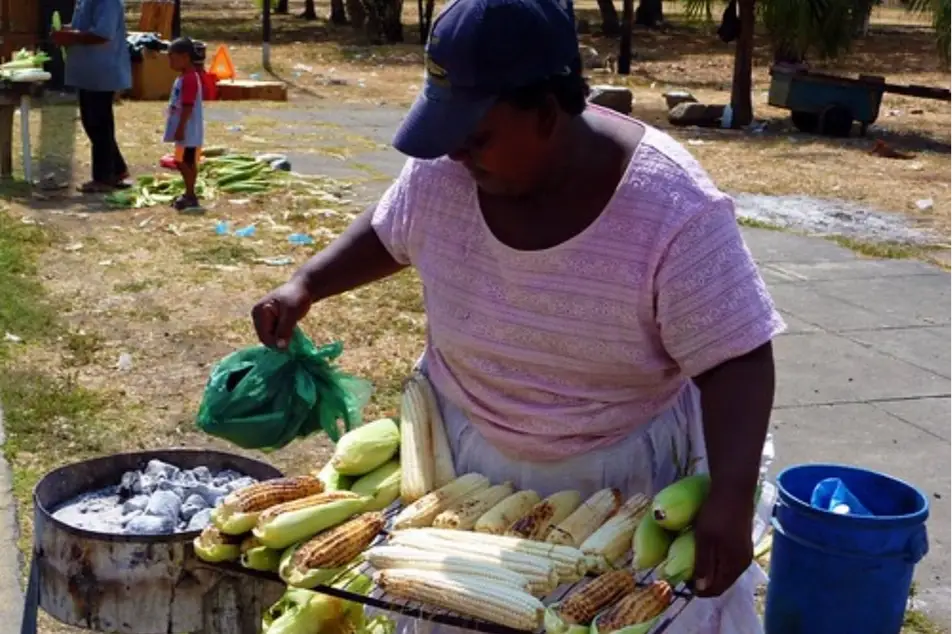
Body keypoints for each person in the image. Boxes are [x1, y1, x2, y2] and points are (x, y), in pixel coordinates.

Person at [252, 0, 784, 631]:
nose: (455, 157)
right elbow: (393, 226)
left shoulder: (673, 210)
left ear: (548, 114)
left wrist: (728, 495)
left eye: (475, 138)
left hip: (614, 475)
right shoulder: (447, 169)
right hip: (465, 464)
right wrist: (307, 283)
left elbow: (738, 361)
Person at [52, 0, 131, 193]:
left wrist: (71, 37)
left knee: (99, 124)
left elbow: (103, 34)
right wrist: (66, 31)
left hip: (102, 71)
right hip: (88, 72)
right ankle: (117, 169)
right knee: (93, 123)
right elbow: (85, 27)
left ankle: (104, 177)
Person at [164, 37, 205, 211]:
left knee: (182, 162)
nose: (170, 61)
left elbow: (188, 106)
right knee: (186, 161)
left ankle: (190, 195)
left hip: (187, 129)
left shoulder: (189, 79)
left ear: (185, 57)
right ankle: (189, 193)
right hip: (185, 127)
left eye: (173, 57)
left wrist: (180, 128)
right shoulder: (184, 77)